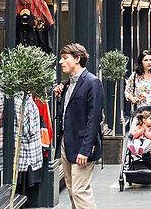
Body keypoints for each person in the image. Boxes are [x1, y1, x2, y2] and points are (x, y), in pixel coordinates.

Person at [53, 43, 103, 209]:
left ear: (77, 59)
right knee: (71, 188)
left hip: (82, 146)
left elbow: (94, 119)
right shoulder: (68, 84)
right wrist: (61, 97)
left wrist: (86, 150)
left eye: (65, 58)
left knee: (79, 191)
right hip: (67, 144)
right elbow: (70, 113)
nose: (61, 61)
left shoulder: (92, 82)